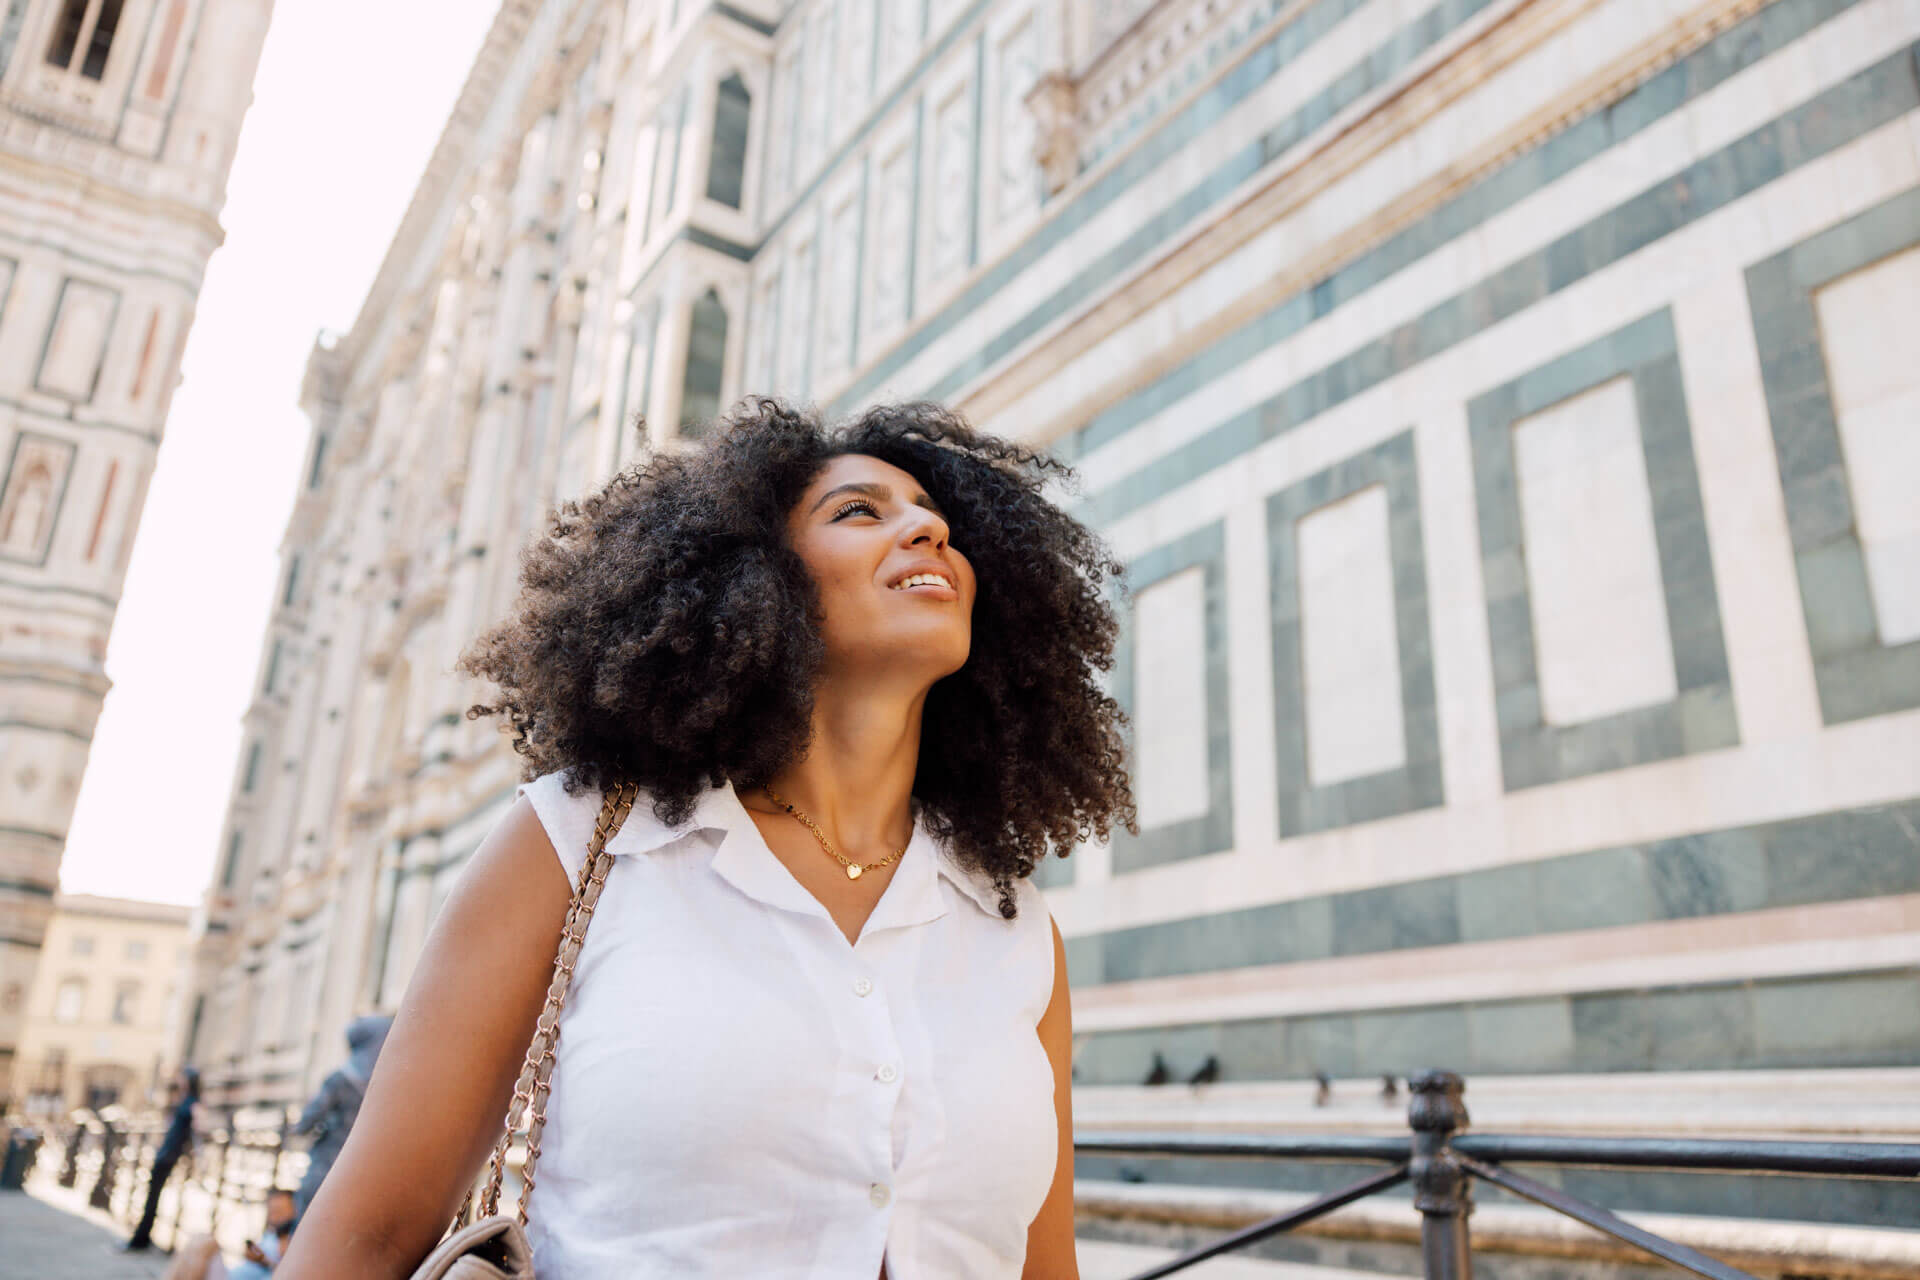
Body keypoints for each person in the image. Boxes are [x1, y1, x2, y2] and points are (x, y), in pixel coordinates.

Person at [279, 401, 1135, 1278]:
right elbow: (367, 1239)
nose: (926, 528)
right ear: (754, 574)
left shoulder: (1012, 926)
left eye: (935, 518)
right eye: (859, 511)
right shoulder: (582, 846)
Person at [290, 1015, 390, 1218]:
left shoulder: (342, 1079)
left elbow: (307, 1121)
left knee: (308, 1223)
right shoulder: (387, 1086)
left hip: (327, 1165)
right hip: (364, 1173)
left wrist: (299, 1125)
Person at [124, 1066, 198, 1251]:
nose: (179, 1081)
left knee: (152, 1198)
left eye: (183, 1078)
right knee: (150, 1197)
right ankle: (141, 1238)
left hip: (168, 1156)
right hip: (166, 1153)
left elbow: (198, 1125)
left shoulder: (192, 1102)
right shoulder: (183, 1099)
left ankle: (140, 1240)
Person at [161, 1187, 297, 1280]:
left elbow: (291, 1274)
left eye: (280, 1211)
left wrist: (265, 1261)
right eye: (272, 1211)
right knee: (199, 1239)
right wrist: (255, 1257)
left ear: (295, 1210)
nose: (274, 1216)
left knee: (206, 1244)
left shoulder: (293, 1241)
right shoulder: (271, 1235)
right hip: (231, 1276)